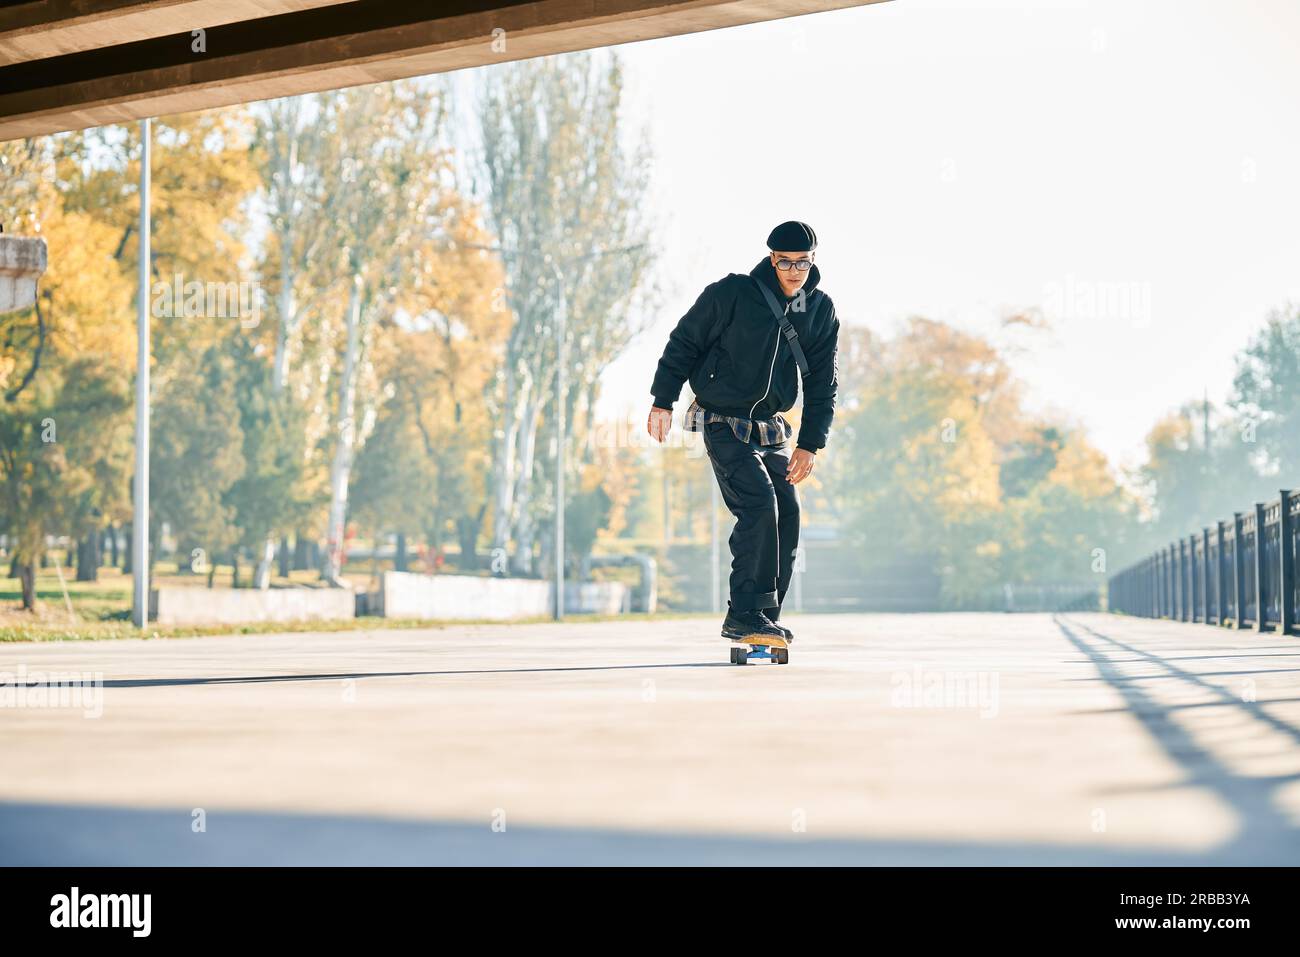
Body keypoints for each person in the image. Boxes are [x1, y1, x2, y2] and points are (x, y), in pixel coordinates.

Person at [646, 220, 840, 644]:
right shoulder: (733, 293)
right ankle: (745, 613)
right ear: (772, 258)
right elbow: (684, 342)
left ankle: (763, 614)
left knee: (787, 510)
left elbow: (823, 383)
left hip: (769, 428)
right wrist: (663, 399)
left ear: (812, 262)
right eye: (785, 262)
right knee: (758, 503)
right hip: (722, 419)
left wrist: (810, 444)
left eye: (802, 263)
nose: (793, 271)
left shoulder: (819, 311)